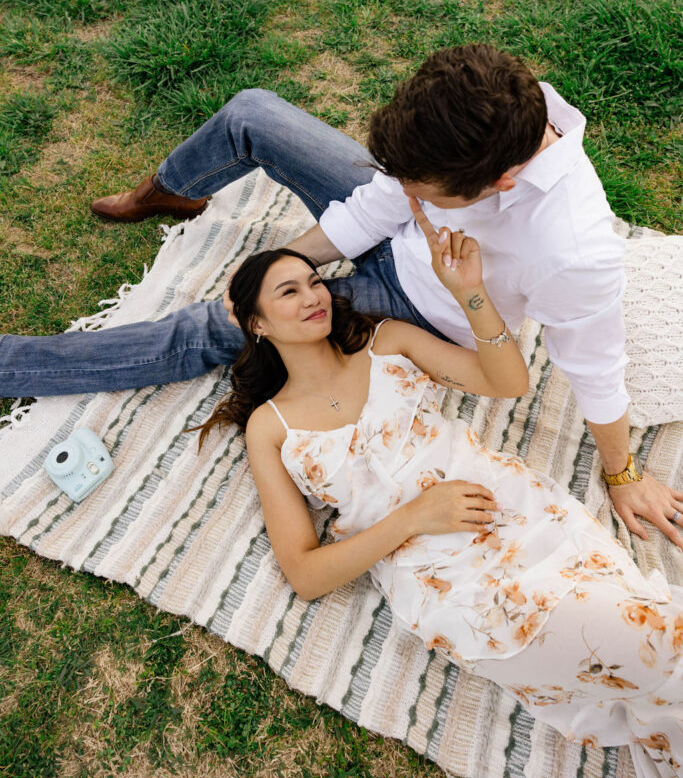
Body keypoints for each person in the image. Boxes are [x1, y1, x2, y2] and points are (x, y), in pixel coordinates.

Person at [1, 45, 681, 549]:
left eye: (423, 190)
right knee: (253, 114)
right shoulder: (501, 104)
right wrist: (292, 262)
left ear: (500, 183)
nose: (405, 191)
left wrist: (621, 474)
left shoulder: (570, 250)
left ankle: (13, 366)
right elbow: (381, 197)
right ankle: (173, 188)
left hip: (417, 305)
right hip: (393, 244)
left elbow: (595, 367)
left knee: (221, 322)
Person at [194, 228, 682, 778]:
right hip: (442, 579)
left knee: (648, 636)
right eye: (289, 291)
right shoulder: (269, 427)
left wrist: (470, 291)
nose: (313, 296)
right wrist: (413, 517)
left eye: (314, 281)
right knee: (649, 642)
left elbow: (507, 382)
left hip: (515, 513)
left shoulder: (387, 342)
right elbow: (304, 573)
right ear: (256, 323)